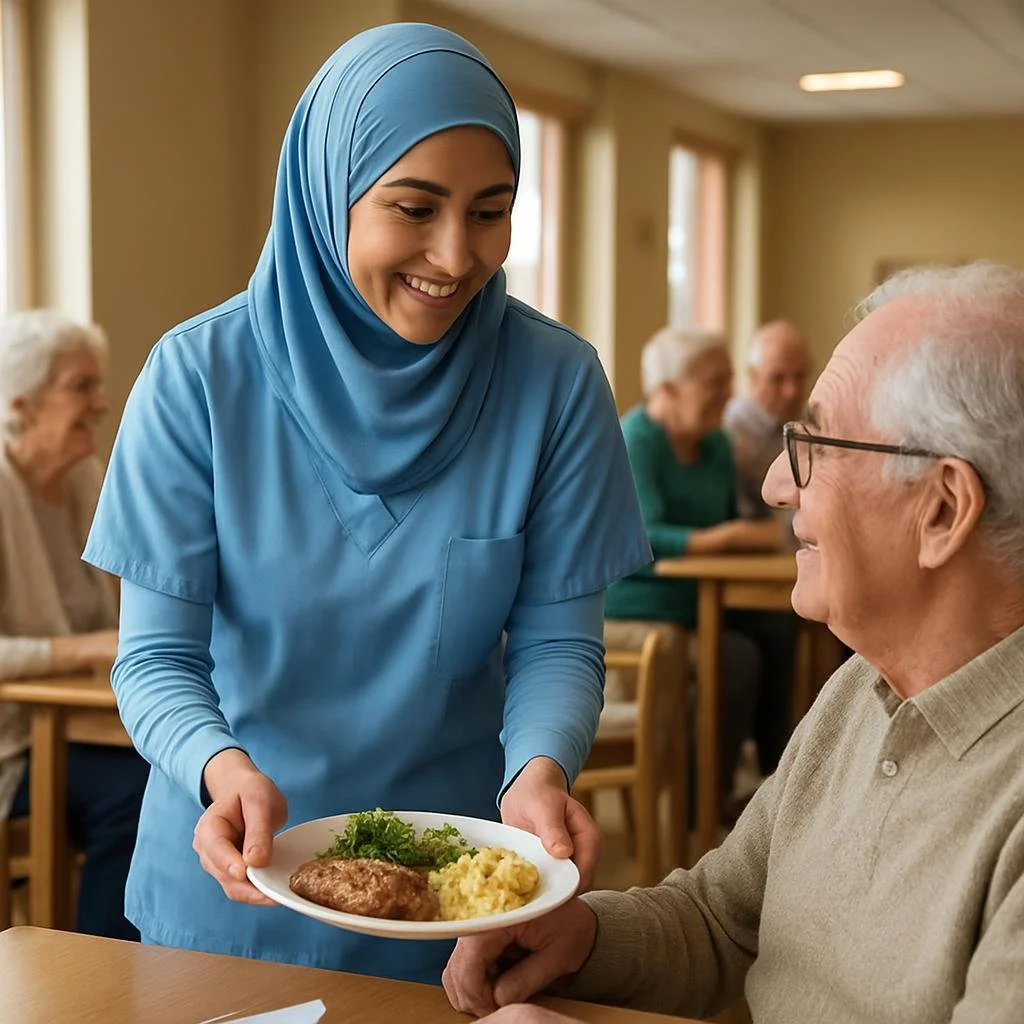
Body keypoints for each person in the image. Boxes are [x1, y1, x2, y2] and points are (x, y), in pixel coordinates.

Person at [81, 23, 650, 983]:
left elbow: (558, 643)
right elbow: (157, 660)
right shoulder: (197, 379)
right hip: (233, 897)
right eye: (414, 208)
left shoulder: (556, 384)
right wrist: (223, 772)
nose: (456, 255)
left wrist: (539, 772)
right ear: (326, 193)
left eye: (490, 211)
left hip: (453, 906)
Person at [443, 261, 1024, 1024]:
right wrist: (583, 936)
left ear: (944, 510)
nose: (778, 484)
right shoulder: (859, 692)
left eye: (818, 444)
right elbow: (722, 920)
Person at [0, 309, 148, 940]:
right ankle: (95, 981)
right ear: (22, 404)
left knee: (176, 770)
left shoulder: (85, 478)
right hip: (14, 742)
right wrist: (81, 646)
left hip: (77, 721)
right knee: (136, 793)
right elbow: (98, 638)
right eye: (81, 387)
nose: (102, 402)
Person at [605, 326, 794, 782]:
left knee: (784, 625)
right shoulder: (635, 440)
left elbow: (732, 522)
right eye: (715, 383)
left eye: (729, 381)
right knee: (736, 658)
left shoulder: (715, 445)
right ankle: (700, 798)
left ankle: (780, 781)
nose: (729, 395)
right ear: (667, 389)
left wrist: (746, 535)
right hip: (639, 601)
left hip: (700, 596)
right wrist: (725, 538)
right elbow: (642, 538)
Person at [723, 320, 811, 522]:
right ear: (753, 376)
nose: (792, 391)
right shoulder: (730, 429)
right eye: (777, 378)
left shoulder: (817, 425)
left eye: (800, 376)